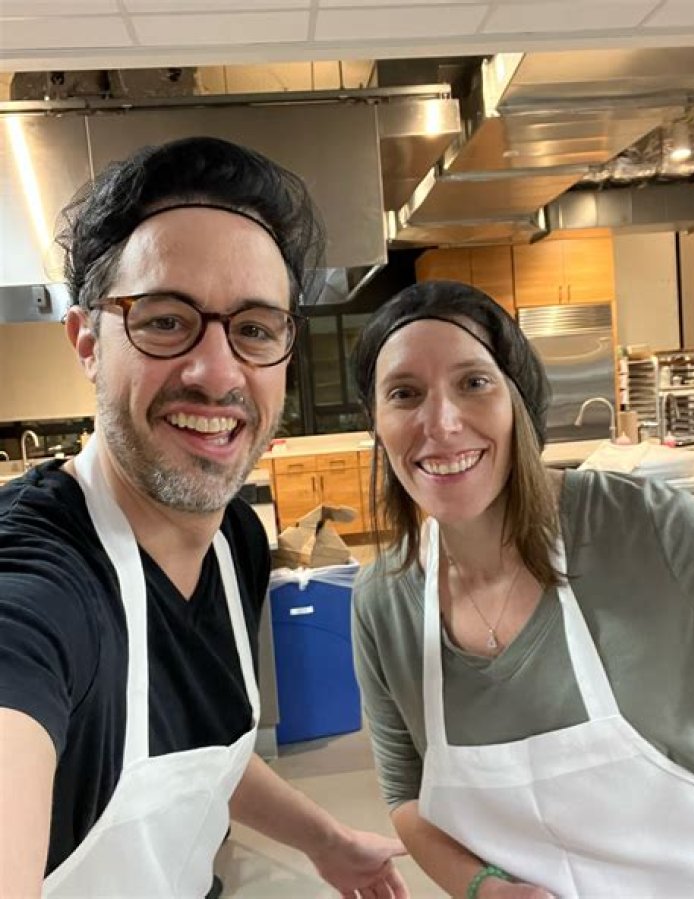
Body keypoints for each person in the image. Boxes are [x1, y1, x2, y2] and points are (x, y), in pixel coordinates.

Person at [0, 135, 409, 899]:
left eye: (254, 328)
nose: (217, 372)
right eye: (164, 320)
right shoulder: (39, 589)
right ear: (87, 341)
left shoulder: (234, 541)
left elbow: (201, 746)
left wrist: (325, 840)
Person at [350, 280, 694, 899]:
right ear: (377, 426)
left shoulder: (645, 526)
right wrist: (485, 889)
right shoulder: (382, 603)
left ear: (519, 400)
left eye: (474, 382)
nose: (441, 423)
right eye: (404, 394)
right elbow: (407, 798)